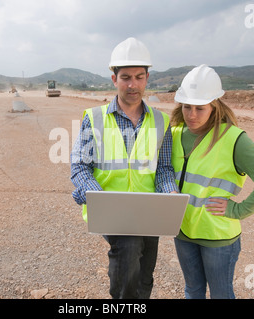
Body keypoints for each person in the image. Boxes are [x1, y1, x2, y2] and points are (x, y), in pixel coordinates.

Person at [70, 37, 178, 299]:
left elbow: (163, 168)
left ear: (147, 78)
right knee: (128, 250)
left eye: (139, 77)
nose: (133, 84)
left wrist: (170, 194)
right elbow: (80, 167)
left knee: (144, 272)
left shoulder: (162, 122)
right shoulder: (93, 118)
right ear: (114, 79)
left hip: (148, 210)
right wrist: (98, 197)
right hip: (111, 209)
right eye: (126, 77)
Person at [170, 64, 254, 299]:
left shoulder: (233, 139)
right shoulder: (173, 134)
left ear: (214, 106)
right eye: (186, 107)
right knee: (192, 291)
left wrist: (238, 209)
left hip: (218, 237)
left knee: (221, 294)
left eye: (200, 108)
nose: (192, 115)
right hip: (182, 232)